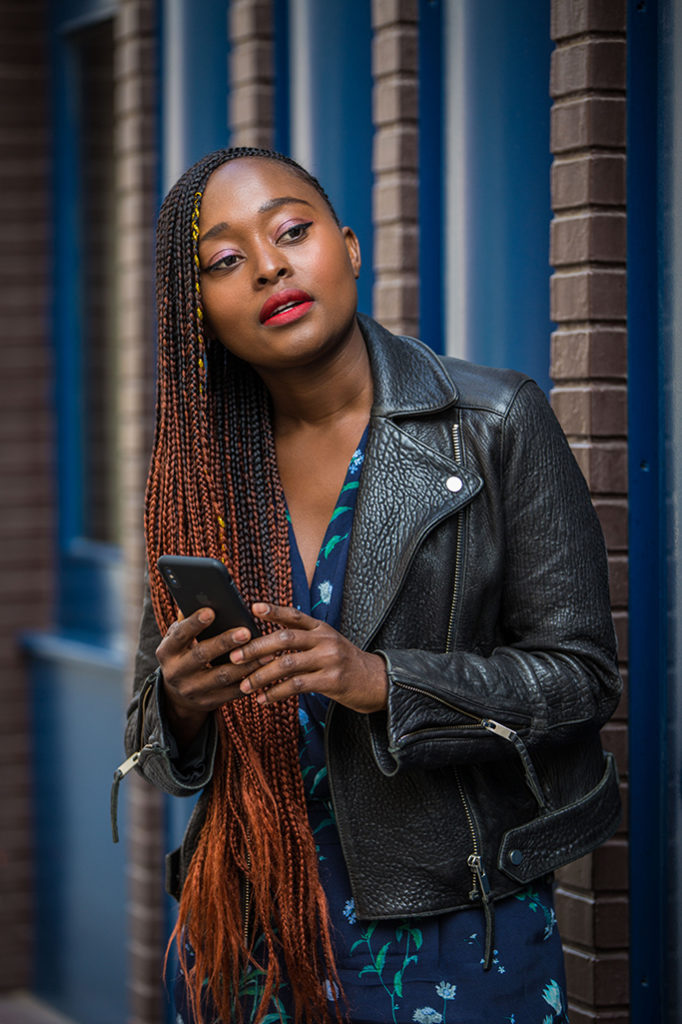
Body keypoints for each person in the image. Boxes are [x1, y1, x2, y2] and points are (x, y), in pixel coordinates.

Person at [123, 147, 622, 1024]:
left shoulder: (495, 423)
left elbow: (580, 680)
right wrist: (182, 700)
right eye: (226, 261)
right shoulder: (197, 477)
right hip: (246, 935)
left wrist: (385, 682)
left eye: (291, 231)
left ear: (349, 247)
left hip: (454, 931)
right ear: (196, 308)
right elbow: (154, 747)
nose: (270, 265)